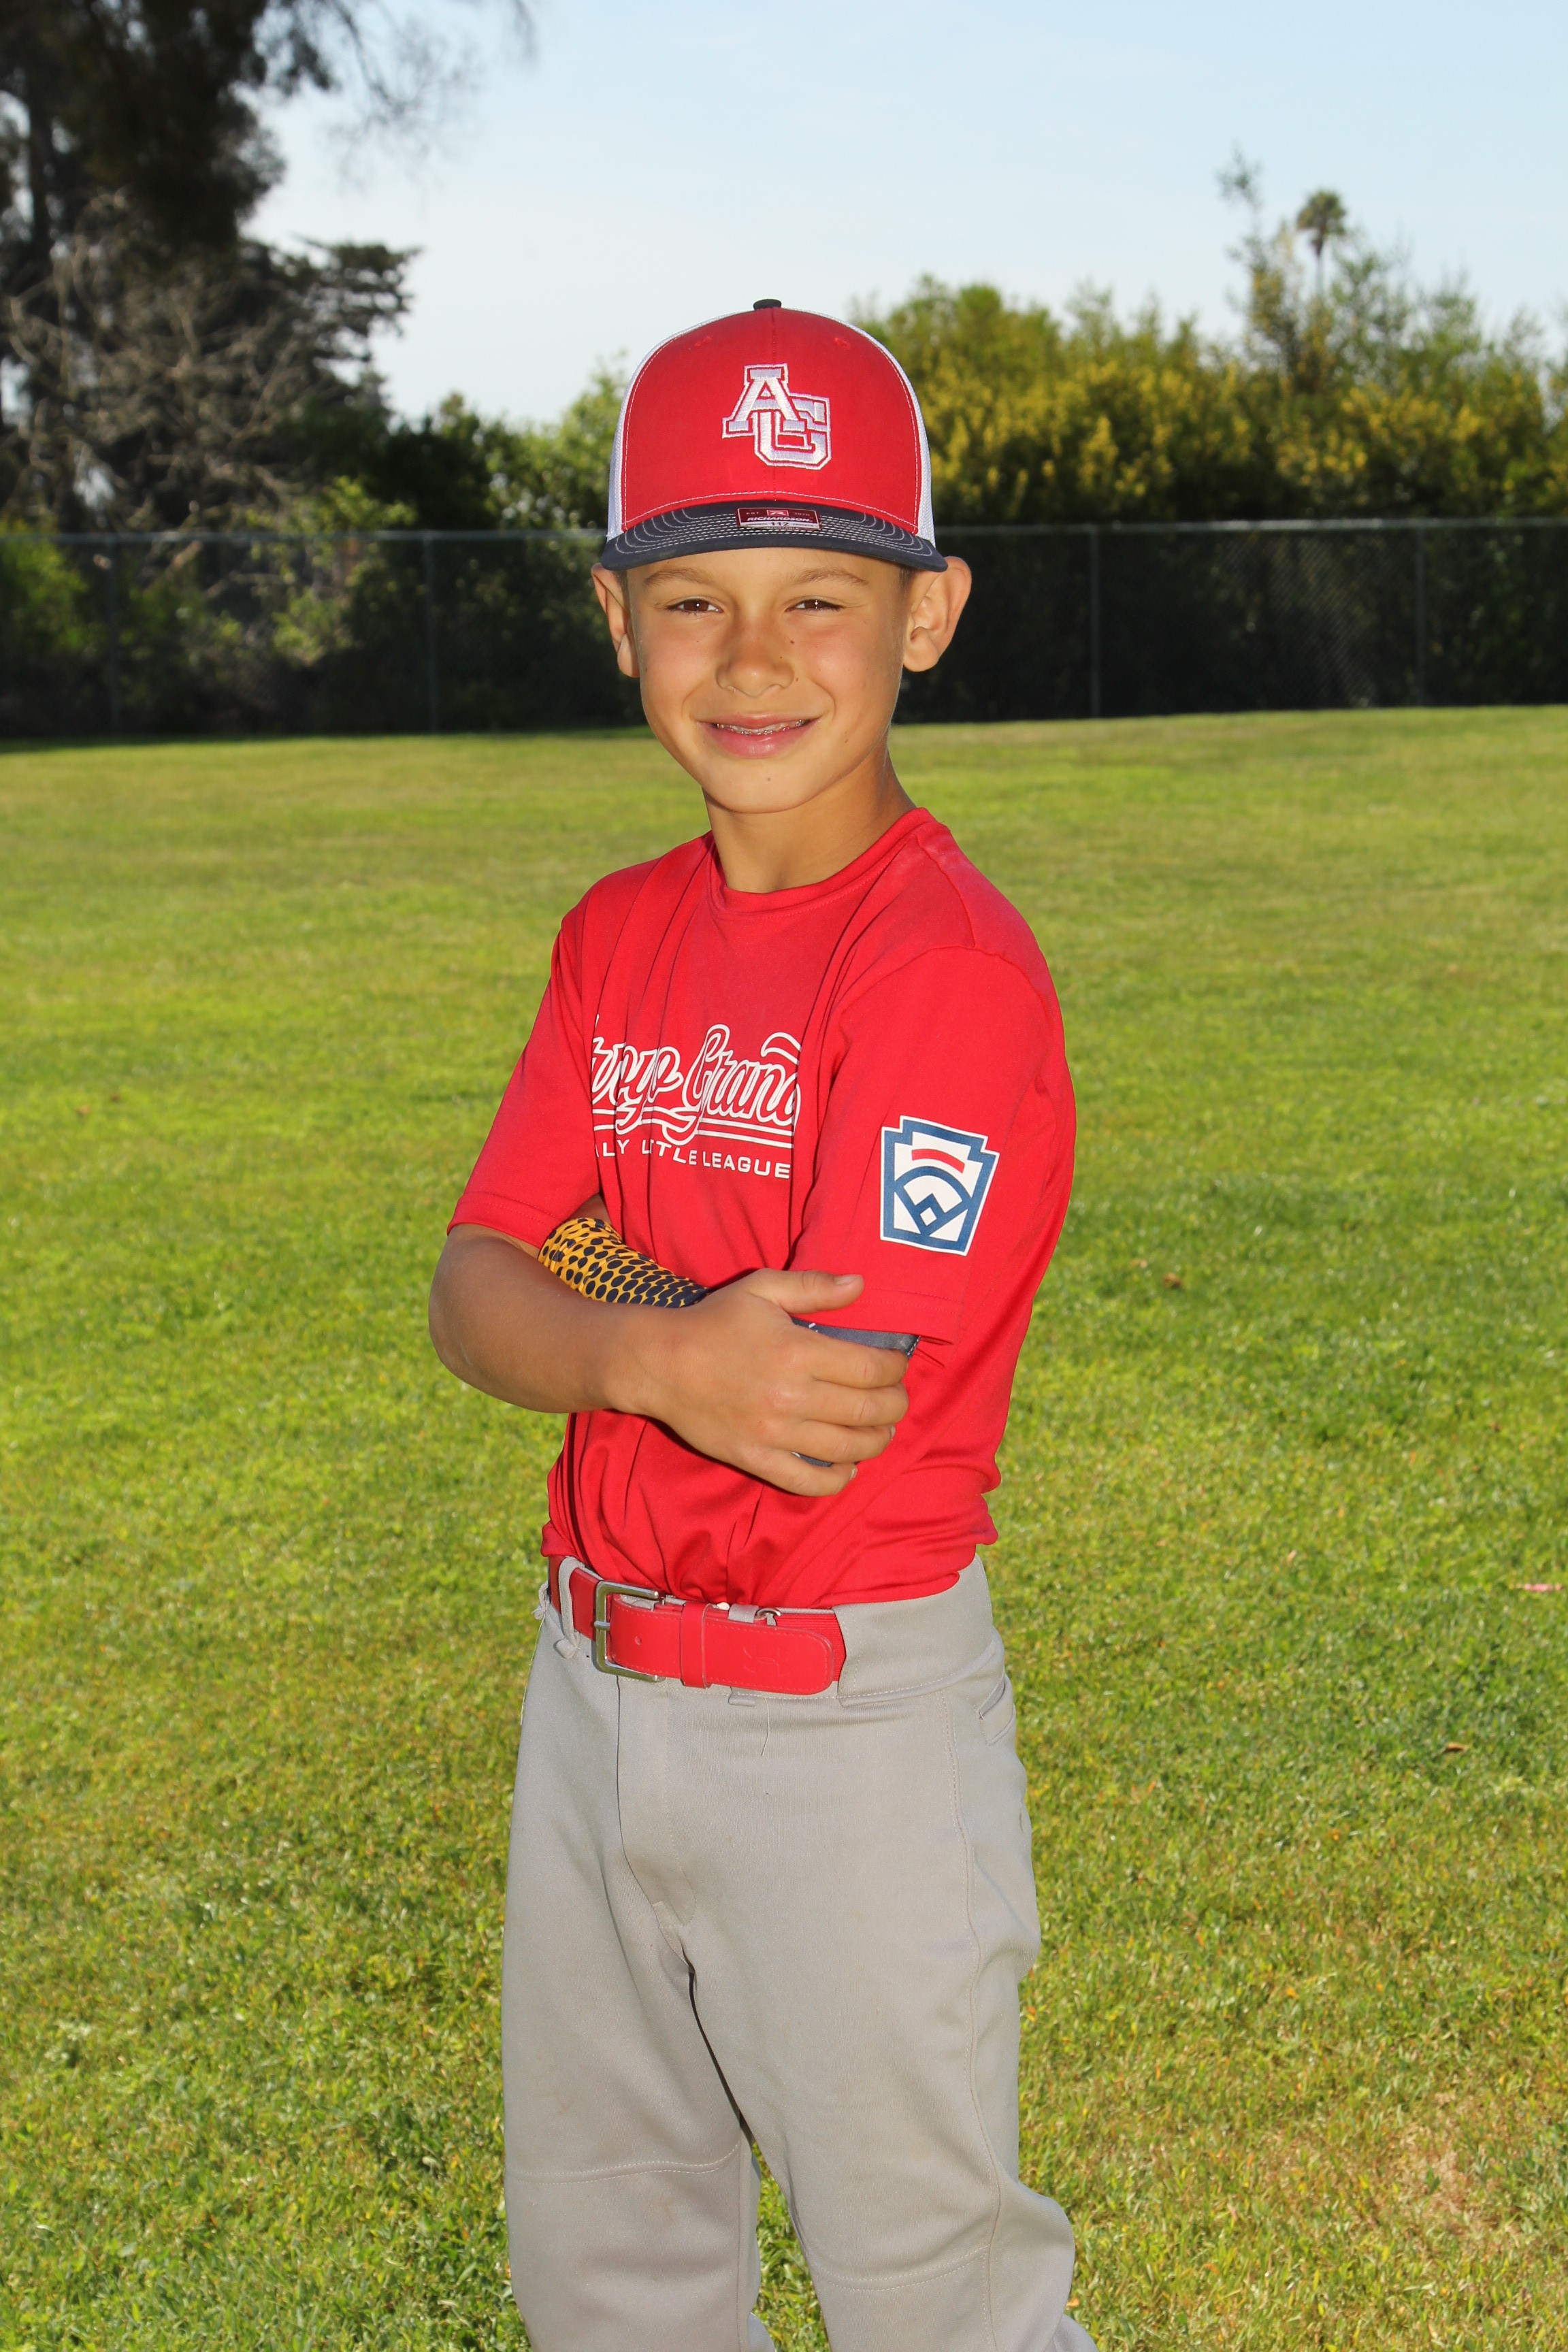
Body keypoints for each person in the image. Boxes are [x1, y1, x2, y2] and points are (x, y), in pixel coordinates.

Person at [428, 301, 1094, 2352]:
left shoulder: (944, 969)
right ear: (616, 620)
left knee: (935, 2303)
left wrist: (607, 1278)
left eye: (822, 595)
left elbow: (814, 1392)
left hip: (839, 1724)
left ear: (927, 614)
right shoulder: (617, 933)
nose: (753, 657)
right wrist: (653, 1338)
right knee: (611, 2282)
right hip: (591, 1696)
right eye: (693, 599)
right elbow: (475, 1284)